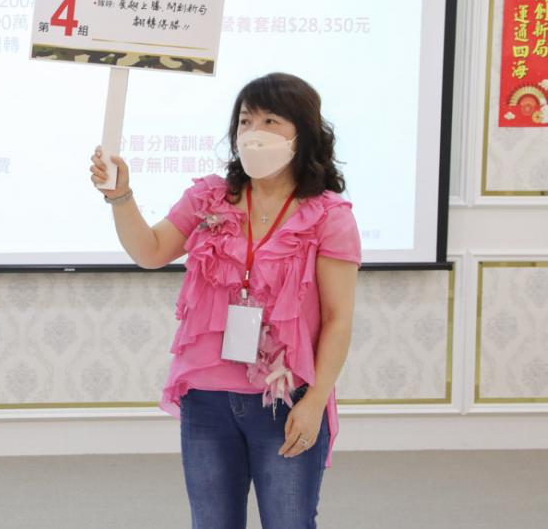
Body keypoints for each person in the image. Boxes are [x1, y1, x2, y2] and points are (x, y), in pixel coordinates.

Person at [89, 72, 360, 528]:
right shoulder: (209, 197)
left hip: (285, 399)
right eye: (246, 121)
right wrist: (121, 197)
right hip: (207, 397)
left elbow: (338, 319)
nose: (254, 132)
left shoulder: (328, 216)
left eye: (270, 121)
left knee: (290, 521)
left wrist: (315, 402)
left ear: (303, 132)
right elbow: (150, 251)